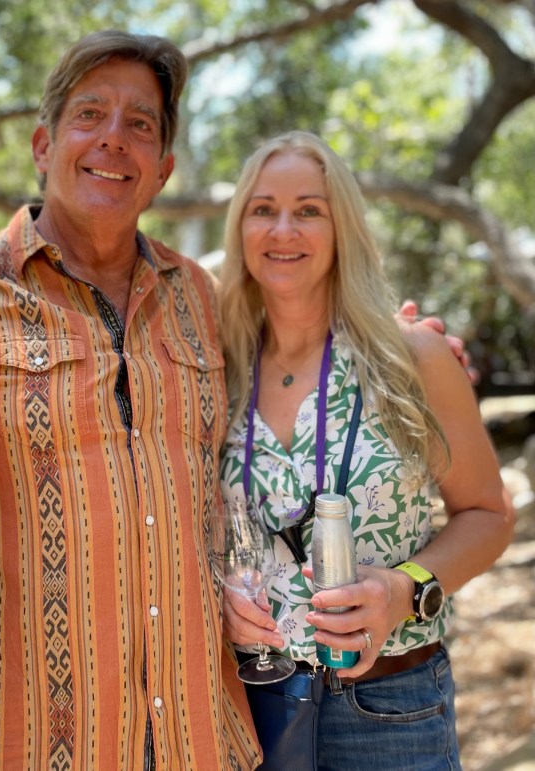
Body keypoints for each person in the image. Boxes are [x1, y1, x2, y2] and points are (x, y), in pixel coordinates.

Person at [0, 30, 261, 769]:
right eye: (90, 114)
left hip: (202, 736)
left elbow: (294, 385)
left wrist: (415, 351)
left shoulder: (201, 296)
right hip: (24, 739)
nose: (114, 138)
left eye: (140, 124)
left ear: (163, 169)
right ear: (43, 145)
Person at [216, 131, 515, 769]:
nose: (283, 229)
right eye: (264, 209)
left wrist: (405, 590)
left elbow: (490, 515)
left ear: (342, 228)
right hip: (251, 706)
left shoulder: (412, 357)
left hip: (391, 713)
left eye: (309, 210)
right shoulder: (217, 365)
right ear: (241, 228)